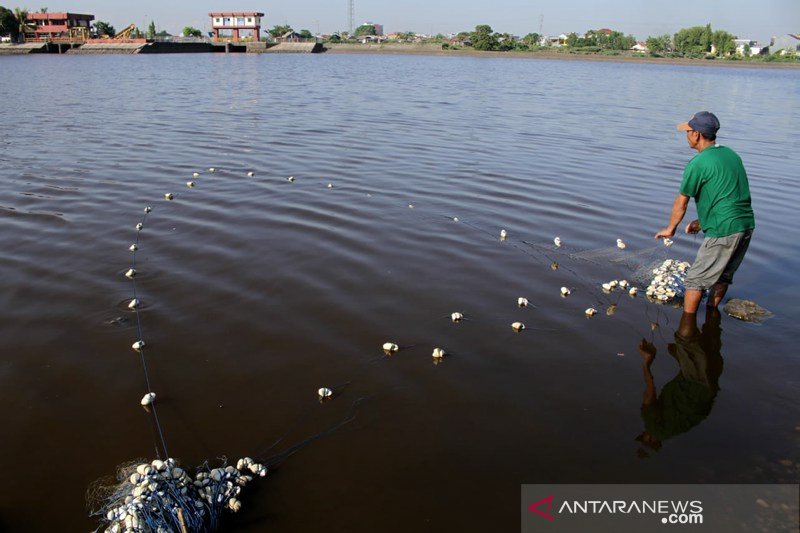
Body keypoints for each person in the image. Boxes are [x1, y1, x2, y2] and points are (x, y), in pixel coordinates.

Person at [655, 111, 755, 314]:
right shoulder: (731, 155)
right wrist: (700, 223)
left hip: (723, 229)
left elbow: (681, 202)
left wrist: (670, 228)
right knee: (723, 277)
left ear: (697, 134)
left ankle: (686, 325)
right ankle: (711, 315)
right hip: (745, 225)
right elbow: (730, 197)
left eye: (688, 131)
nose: (686, 135)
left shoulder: (698, 163)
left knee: (694, 281)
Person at [636, 309, 723, 452]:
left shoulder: (675, 429)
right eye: (644, 436)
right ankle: (692, 300)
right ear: (649, 439)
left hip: (709, 386)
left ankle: (713, 300)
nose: (644, 431)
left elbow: (686, 401)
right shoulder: (653, 427)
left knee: (711, 331)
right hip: (696, 383)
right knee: (684, 338)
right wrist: (647, 362)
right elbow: (650, 390)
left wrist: (679, 358)